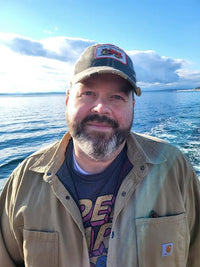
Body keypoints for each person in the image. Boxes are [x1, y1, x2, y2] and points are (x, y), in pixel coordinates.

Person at [0, 43, 199, 267]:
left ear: (132, 106)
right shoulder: (24, 182)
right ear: (67, 101)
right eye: (88, 93)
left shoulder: (174, 168)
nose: (101, 108)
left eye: (117, 97)